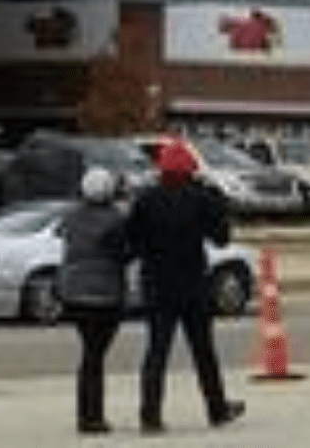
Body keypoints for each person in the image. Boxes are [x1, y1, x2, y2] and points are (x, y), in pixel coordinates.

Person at [125, 137, 244, 433]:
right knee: (204, 352)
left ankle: (150, 415)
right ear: (190, 169)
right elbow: (221, 238)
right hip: (192, 284)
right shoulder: (201, 197)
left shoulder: (146, 200)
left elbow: (131, 241)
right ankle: (217, 409)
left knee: (156, 352)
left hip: (157, 284)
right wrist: (218, 204)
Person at [59, 165, 131, 436]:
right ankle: (92, 417)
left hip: (74, 292)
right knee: (94, 355)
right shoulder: (117, 220)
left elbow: (65, 239)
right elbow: (125, 253)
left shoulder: (72, 218)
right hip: (106, 295)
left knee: (91, 354)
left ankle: (87, 414)